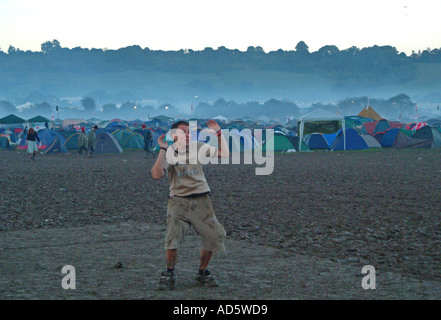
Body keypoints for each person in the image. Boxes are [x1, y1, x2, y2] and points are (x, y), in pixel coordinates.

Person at [151, 120, 229, 290]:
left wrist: (218, 133)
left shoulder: (199, 147)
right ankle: (169, 273)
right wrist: (163, 149)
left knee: (214, 236)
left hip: (202, 201)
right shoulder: (170, 152)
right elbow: (156, 174)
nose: (187, 135)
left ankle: (202, 272)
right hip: (178, 201)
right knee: (172, 239)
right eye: (183, 132)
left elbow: (224, 153)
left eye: (188, 132)